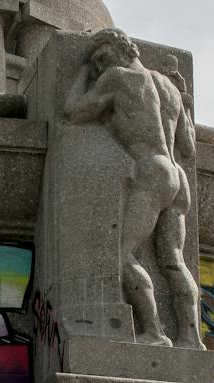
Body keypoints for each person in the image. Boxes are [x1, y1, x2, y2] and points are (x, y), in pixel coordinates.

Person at [64, 29, 201, 347]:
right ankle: (191, 337)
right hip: (177, 177)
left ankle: (154, 332)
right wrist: (187, 106)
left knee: (120, 255)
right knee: (173, 260)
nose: (99, 67)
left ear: (117, 49)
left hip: (151, 171)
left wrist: (82, 69)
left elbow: (73, 112)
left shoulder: (117, 78)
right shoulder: (170, 88)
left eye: (101, 58)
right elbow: (188, 147)